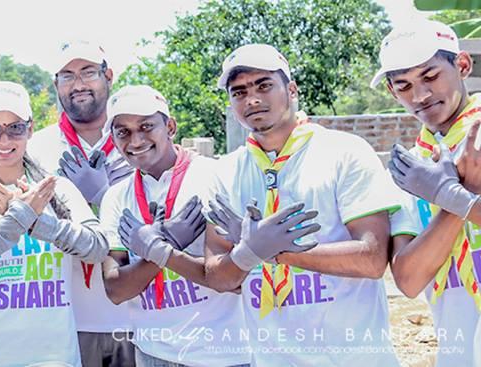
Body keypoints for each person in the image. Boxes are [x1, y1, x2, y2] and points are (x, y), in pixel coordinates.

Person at [203, 44, 400, 366]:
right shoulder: (224, 172)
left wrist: (272, 252)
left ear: (292, 90)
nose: (251, 99)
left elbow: (373, 259)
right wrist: (245, 254)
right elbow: (218, 277)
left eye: (264, 85)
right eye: (239, 92)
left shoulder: (344, 152)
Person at [0, 81, 109, 366]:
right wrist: (15, 222)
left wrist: (38, 224)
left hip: (53, 358)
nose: (4, 141)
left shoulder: (56, 189)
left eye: (15, 128)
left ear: (30, 129)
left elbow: (98, 248)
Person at [98, 85, 251, 366]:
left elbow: (235, 281)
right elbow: (115, 290)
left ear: (170, 126)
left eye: (146, 126)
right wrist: (167, 243)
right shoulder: (117, 197)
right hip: (153, 353)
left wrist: (159, 250)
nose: (136, 140)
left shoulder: (215, 176)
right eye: (123, 132)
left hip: (223, 354)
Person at [373, 20, 481, 366]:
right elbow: (408, 279)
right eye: (403, 85)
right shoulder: (414, 166)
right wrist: (451, 200)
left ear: (462, 65)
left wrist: (453, 196)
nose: (419, 96)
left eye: (430, 77)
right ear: (391, 92)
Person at [27, 40, 135, 366]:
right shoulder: (36, 147)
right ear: (55, 84)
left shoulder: (137, 138)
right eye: (67, 76)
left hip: (133, 314)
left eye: (88, 72)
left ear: (109, 76)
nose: (78, 85)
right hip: (64, 318)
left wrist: (104, 198)